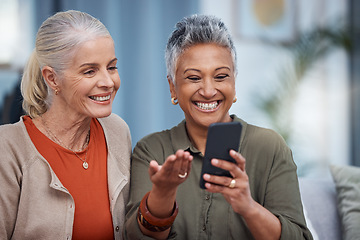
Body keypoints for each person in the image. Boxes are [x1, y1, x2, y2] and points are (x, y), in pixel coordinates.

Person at [124, 14, 313, 240]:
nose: (208, 90)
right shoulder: (151, 150)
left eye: (221, 76)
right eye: (194, 78)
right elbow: (133, 236)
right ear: (172, 87)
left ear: (234, 83)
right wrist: (162, 196)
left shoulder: (269, 147)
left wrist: (248, 206)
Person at [0, 10, 131, 240]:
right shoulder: (8, 148)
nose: (108, 82)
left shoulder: (117, 131)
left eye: (111, 67)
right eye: (90, 71)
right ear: (52, 78)